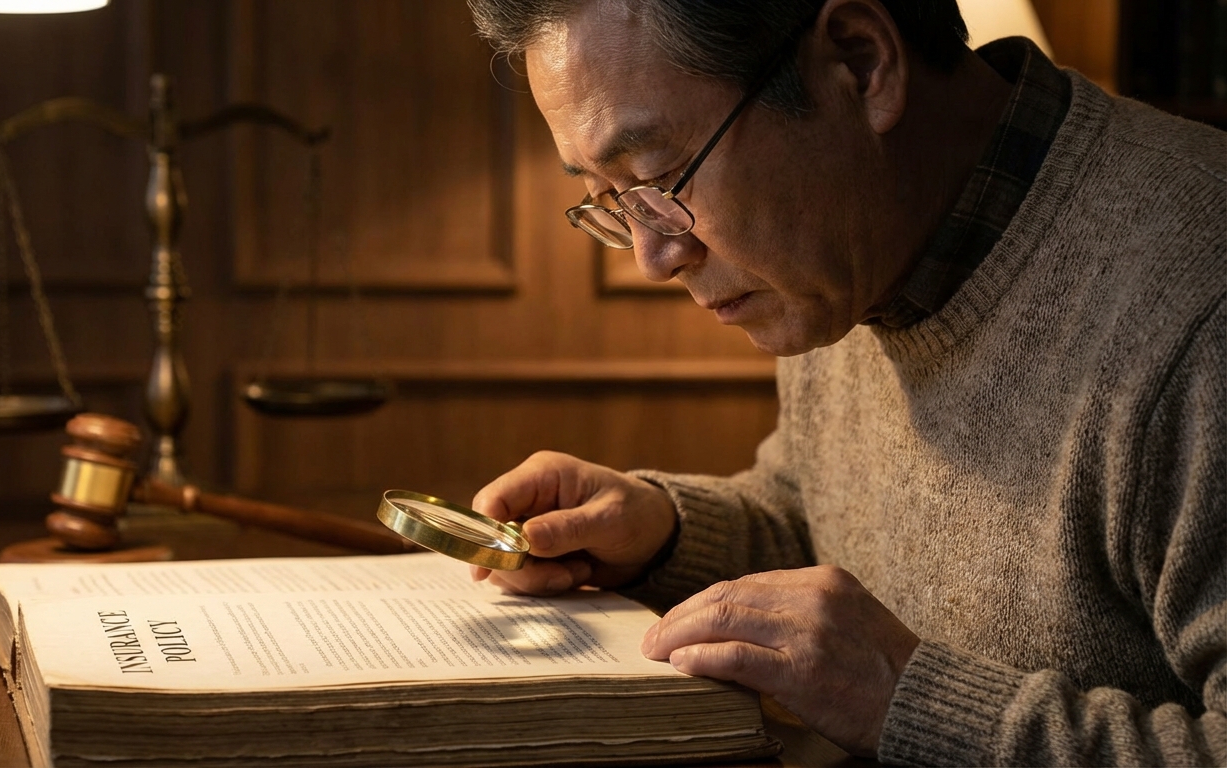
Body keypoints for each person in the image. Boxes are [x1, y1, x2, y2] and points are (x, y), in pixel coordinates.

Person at [463, 0, 1227, 764]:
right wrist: (667, 532)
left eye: (659, 177)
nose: (652, 258)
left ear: (862, 64)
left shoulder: (1197, 304)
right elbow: (828, 517)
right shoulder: (849, 251)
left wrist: (910, 701)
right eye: (610, 200)